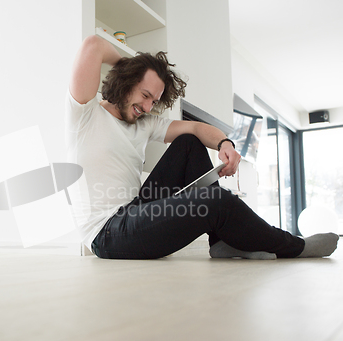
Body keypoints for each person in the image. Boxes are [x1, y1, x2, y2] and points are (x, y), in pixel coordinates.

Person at [65, 35, 339, 260]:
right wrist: (130, 66)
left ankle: (222, 242)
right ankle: (294, 247)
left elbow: (196, 128)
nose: (148, 107)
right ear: (126, 82)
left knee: (188, 142)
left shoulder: (143, 124)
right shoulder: (85, 114)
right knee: (215, 202)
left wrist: (225, 144)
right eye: (145, 95)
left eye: (154, 101)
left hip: (136, 210)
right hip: (107, 232)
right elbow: (94, 45)